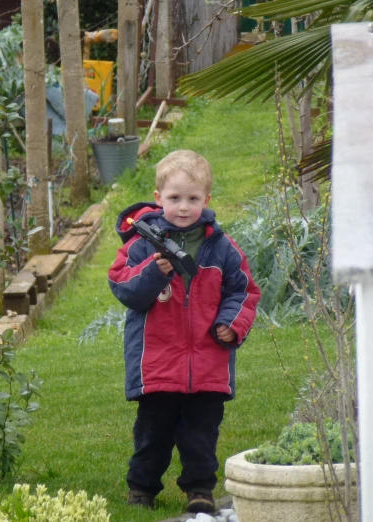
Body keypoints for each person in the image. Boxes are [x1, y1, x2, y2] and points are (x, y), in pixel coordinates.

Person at [107, 150, 261, 513]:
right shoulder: (141, 245)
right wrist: (153, 271)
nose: (183, 206)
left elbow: (244, 291)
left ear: (206, 200)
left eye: (193, 199)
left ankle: (200, 489)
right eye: (174, 198)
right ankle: (142, 489)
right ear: (159, 199)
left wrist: (231, 323)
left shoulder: (222, 248)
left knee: (201, 434)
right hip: (157, 362)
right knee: (152, 433)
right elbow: (123, 286)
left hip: (207, 362)